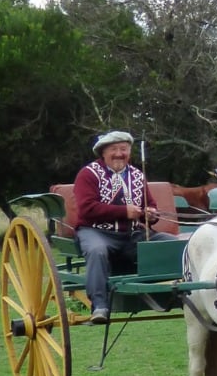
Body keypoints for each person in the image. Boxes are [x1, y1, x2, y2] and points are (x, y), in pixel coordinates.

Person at [69, 130, 177, 324]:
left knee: (173, 244)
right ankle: (100, 306)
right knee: (96, 251)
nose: (119, 153)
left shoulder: (137, 175)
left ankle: (184, 291)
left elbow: (149, 204)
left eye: (124, 149)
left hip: (132, 235)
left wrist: (151, 214)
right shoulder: (88, 174)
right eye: (114, 149)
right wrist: (123, 211)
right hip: (95, 232)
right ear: (103, 152)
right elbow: (86, 209)